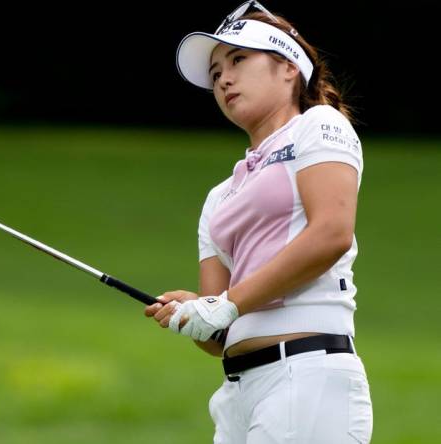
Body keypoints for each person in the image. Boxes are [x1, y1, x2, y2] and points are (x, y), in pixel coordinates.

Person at [143, 2, 373, 442]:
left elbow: (331, 234)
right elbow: (218, 332)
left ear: (288, 67)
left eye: (238, 60)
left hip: (307, 373)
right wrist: (194, 311)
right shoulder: (219, 196)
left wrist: (226, 304)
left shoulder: (319, 125)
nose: (223, 79)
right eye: (214, 74)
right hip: (237, 393)